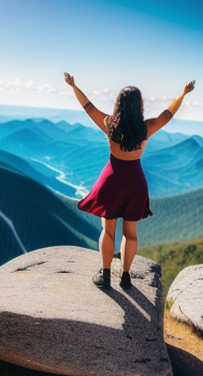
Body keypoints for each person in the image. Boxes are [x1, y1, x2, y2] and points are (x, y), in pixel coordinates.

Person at [64, 72, 195, 289]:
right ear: (139, 106)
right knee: (131, 234)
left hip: (112, 180)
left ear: (118, 104)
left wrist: (73, 86)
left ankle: (105, 275)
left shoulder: (109, 124)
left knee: (108, 230)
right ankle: (126, 277)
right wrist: (183, 94)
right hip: (135, 183)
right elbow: (167, 114)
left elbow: (88, 106)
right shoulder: (145, 128)